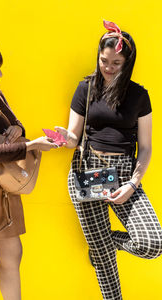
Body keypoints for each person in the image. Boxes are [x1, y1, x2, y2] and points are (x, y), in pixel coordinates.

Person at [55, 20, 162, 299]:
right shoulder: (86, 88)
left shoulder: (139, 95)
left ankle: (105, 243)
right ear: (98, 57)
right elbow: (74, 138)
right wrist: (61, 138)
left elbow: (147, 147)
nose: (109, 67)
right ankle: (102, 251)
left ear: (128, 62)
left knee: (152, 243)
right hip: (88, 169)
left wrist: (133, 183)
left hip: (125, 173)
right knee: (104, 264)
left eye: (116, 62)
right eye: (104, 61)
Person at [0, 38, 57, 300]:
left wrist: (18, 129)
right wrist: (30, 146)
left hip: (4, 184)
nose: (0, 74)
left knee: (12, 255)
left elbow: (8, 126)